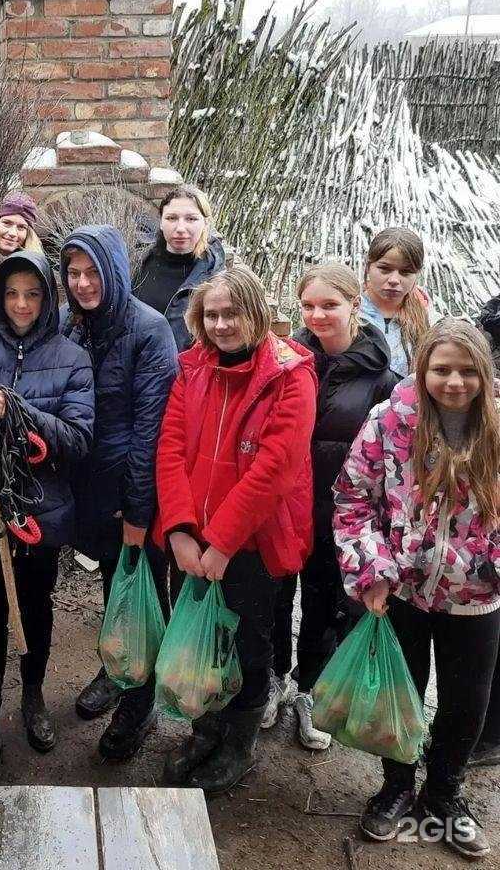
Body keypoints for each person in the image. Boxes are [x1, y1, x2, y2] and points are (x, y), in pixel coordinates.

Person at [333, 319, 500, 859]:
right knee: (396, 695)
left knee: (466, 702)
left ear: (485, 372)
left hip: (476, 596)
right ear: (422, 367)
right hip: (401, 589)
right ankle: (397, 785)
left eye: (467, 370)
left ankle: (445, 792)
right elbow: (351, 499)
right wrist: (373, 571)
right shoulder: (389, 421)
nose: (454, 382)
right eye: (442, 369)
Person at [154, 265, 316, 795]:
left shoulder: (290, 376)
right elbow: (171, 448)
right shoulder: (192, 368)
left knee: (249, 641)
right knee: (203, 641)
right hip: (193, 539)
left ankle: (239, 743)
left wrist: (222, 542)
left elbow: (274, 469)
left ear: (257, 314)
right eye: (212, 315)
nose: (222, 325)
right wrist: (179, 529)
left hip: (251, 543)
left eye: (232, 314)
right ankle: (207, 729)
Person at [0, 251, 94, 783]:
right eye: (12, 294)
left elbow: (78, 439)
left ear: (48, 298)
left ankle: (32, 694)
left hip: (41, 510)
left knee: (36, 608)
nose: (22, 304)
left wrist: (18, 411)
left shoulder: (71, 358)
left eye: (33, 294)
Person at [264, 264, 399, 747]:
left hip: (338, 517)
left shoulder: (383, 380)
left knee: (323, 606)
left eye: (329, 305)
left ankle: (309, 690)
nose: (317, 315)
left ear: (354, 306)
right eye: (308, 306)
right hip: (285, 508)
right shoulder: (287, 361)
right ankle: (274, 677)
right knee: (276, 598)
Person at [60, 226, 178, 755]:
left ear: (113, 270)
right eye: (74, 273)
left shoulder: (150, 332)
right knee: (115, 593)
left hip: (135, 493)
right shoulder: (74, 326)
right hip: (92, 486)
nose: (83, 283)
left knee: (141, 599)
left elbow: (150, 430)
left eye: (92, 272)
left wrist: (137, 508)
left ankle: (139, 706)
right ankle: (117, 671)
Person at [134, 184, 225, 352]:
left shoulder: (216, 279)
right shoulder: (138, 264)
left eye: (191, 219)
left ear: (205, 222)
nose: (180, 228)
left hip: (188, 373)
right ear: (161, 222)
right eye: (172, 218)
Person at [359, 227, 435, 378]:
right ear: (368, 267)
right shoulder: (348, 312)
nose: (394, 280)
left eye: (405, 272)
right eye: (385, 269)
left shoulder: (427, 317)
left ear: (417, 274)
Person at [0, 191, 44, 257]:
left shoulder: (33, 266)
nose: (13, 233)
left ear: (28, 233)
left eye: (21, 227)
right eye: (6, 223)